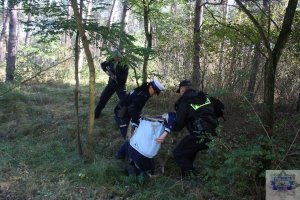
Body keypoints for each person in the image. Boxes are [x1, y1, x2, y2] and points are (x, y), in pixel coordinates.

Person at [156, 80, 223, 177]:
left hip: (201, 134)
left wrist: (169, 124)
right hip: (215, 132)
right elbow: (221, 109)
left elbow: (178, 126)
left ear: (182, 89)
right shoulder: (205, 96)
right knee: (189, 149)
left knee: (178, 153)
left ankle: (193, 177)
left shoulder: (184, 101)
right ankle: (186, 176)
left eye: (180, 91)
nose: (181, 94)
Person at [114, 79, 165, 164]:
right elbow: (132, 109)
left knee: (132, 137)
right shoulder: (142, 95)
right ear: (151, 87)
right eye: (155, 91)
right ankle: (131, 160)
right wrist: (136, 121)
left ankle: (121, 154)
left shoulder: (144, 91)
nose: (155, 94)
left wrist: (137, 119)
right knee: (131, 139)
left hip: (125, 112)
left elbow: (135, 107)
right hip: (121, 115)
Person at [95, 50, 128, 119]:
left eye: (117, 57)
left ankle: (123, 117)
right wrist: (108, 73)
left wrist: (116, 77)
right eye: (114, 57)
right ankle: (96, 115)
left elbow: (124, 79)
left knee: (124, 101)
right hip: (111, 84)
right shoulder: (111, 60)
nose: (115, 58)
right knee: (103, 98)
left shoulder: (125, 64)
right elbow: (103, 65)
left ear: (120, 57)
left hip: (120, 86)